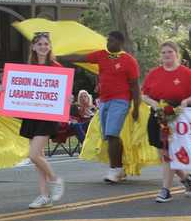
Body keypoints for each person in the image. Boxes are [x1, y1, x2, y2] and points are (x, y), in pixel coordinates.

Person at [58, 30, 141, 183]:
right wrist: (59, 57)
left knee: (111, 134)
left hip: (121, 101)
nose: (108, 44)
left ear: (120, 43)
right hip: (104, 101)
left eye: (111, 41)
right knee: (109, 135)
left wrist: (136, 108)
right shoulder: (101, 55)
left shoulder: (129, 61)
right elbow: (80, 58)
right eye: (107, 41)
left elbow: (135, 87)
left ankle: (114, 170)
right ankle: (120, 168)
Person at [141, 41, 191, 202]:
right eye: (163, 53)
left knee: (169, 153)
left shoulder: (186, 73)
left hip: (177, 116)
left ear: (176, 53)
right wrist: (154, 104)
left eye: (170, 52)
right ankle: (185, 178)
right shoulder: (154, 73)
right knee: (164, 154)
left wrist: (185, 102)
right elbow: (144, 94)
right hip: (158, 115)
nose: (167, 55)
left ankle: (165, 190)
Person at [19, 31, 66, 208]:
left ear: (50, 46)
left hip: (48, 116)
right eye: (40, 44)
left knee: (33, 155)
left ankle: (55, 179)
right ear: (33, 47)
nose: (43, 47)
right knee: (39, 158)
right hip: (32, 115)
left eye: (46, 44)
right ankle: (44, 195)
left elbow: (63, 92)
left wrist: (67, 98)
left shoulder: (56, 67)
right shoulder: (28, 67)